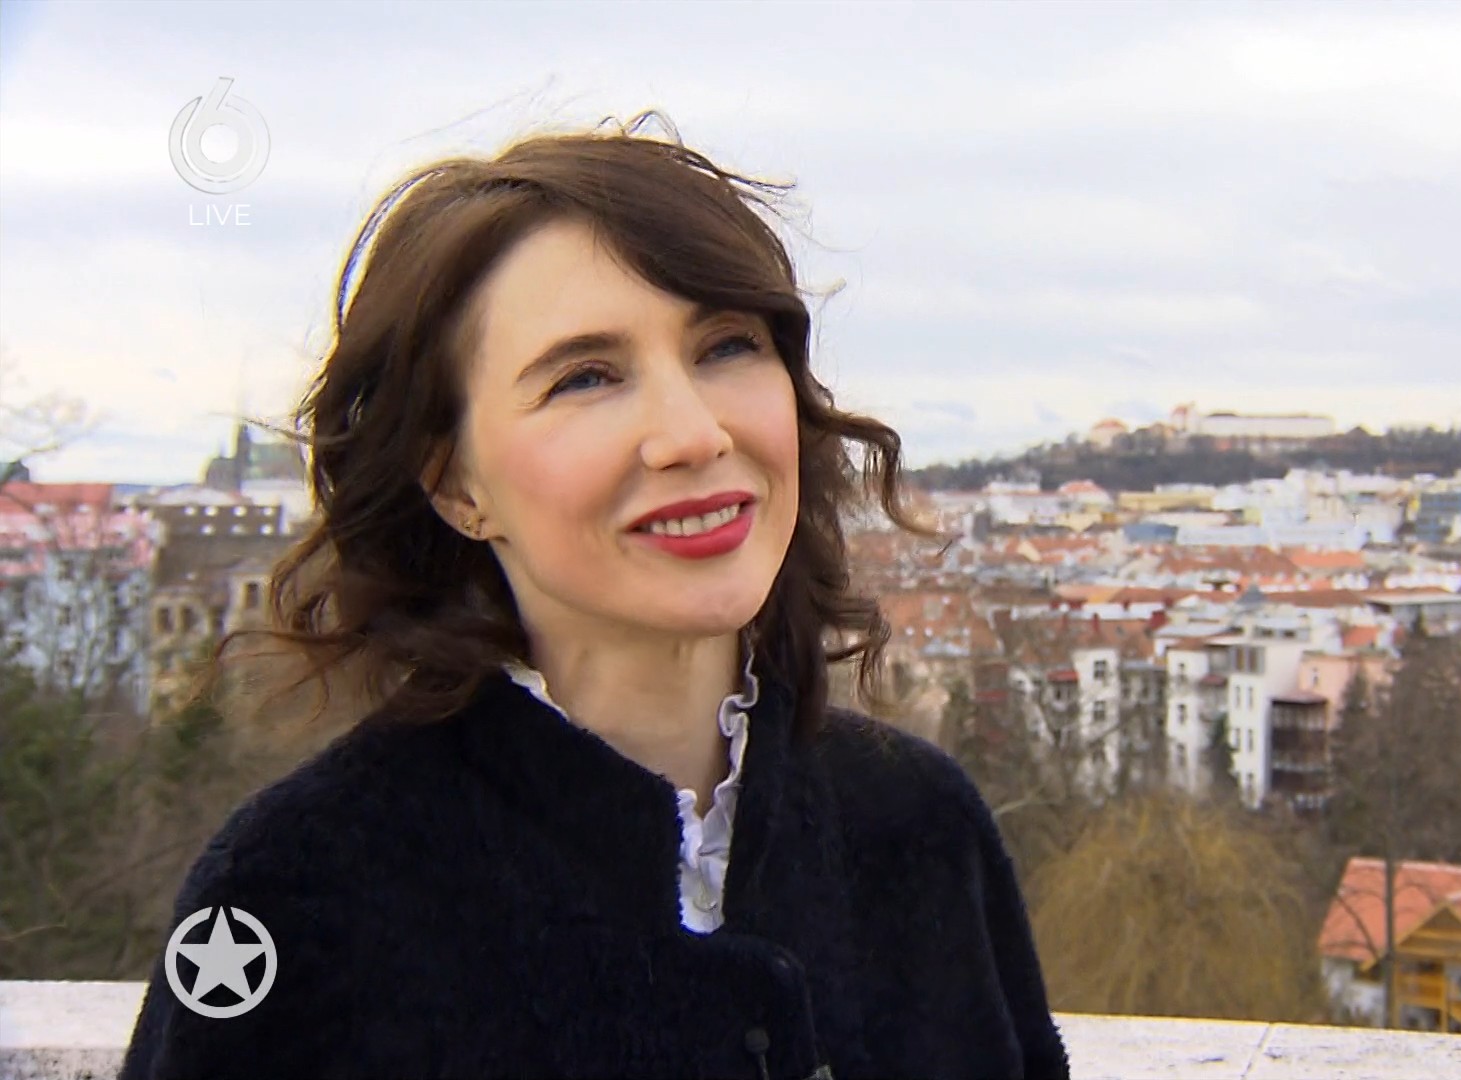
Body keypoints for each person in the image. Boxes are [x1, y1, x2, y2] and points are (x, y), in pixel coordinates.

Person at [118, 116, 1069, 1080]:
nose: (692, 434)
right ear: (454, 484)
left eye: (727, 346)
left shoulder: (918, 827)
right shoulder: (295, 893)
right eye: (586, 377)